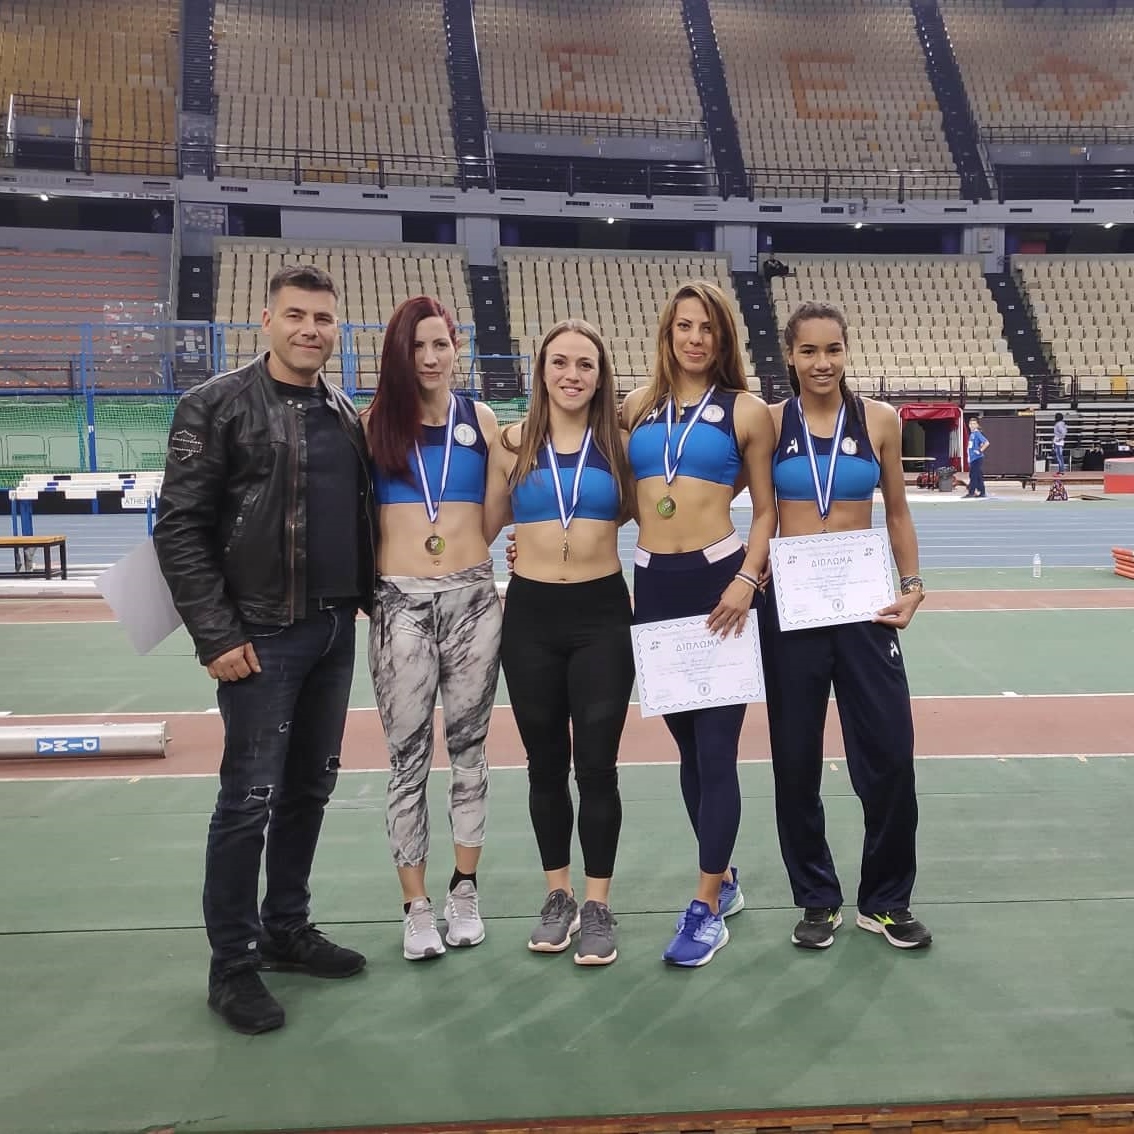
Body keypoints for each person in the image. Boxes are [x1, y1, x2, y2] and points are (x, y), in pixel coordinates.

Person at [154, 264, 377, 1035]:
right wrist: (216, 634)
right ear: (266, 320)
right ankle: (233, 966)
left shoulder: (343, 412)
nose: (310, 329)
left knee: (309, 789)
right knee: (247, 799)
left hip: (332, 630)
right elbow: (179, 528)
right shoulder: (214, 406)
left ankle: (286, 927)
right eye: (296, 315)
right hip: (259, 635)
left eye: (323, 318)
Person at [764, 300, 930, 952]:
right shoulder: (770, 421)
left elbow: (897, 513)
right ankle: (817, 898)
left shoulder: (879, 420)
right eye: (808, 351)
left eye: (832, 349)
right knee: (795, 762)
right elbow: (727, 503)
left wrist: (911, 587)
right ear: (790, 355)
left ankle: (886, 900)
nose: (822, 363)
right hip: (793, 610)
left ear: (846, 351)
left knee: (889, 755)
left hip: (865, 609)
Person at [623, 280, 777, 968]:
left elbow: (766, 509)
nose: (695, 338)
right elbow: (618, 499)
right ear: (668, 333)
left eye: (707, 327)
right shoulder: (636, 406)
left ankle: (706, 906)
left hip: (721, 587)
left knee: (716, 752)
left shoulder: (746, 410)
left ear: (723, 338)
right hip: (653, 585)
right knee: (688, 752)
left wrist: (747, 578)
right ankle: (726, 877)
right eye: (684, 326)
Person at [484, 320, 636, 967]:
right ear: (541, 371)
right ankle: (559, 896)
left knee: (597, 766)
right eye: (560, 362)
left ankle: (598, 904)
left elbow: (656, 511)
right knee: (544, 766)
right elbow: (483, 525)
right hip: (531, 618)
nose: (572, 374)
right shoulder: (512, 443)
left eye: (585, 365)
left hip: (602, 617)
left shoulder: (620, 446)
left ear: (601, 377)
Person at [364, 295, 501, 963]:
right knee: (407, 760)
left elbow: (495, 514)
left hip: (473, 600)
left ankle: (464, 890)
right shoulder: (372, 425)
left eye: (439, 344)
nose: (428, 357)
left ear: (456, 347)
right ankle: (415, 906)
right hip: (401, 604)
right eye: (415, 346)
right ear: (398, 353)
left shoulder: (482, 420)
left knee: (470, 752)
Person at [964, 416, 989, 498]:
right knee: (978, 476)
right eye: (971, 423)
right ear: (969, 425)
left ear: (977, 425)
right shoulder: (972, 434)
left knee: (973, 475)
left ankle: (971, 492)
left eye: (974, 423)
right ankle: (982, 492)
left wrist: (980, 450)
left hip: (977, 458)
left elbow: (986, 443)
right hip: (973, 458)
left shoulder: (977, 433)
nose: (972, 425)